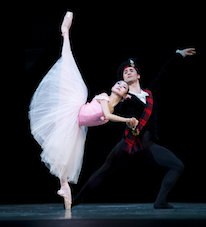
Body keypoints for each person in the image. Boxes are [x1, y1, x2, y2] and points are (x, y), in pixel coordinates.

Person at [29, 12, 138, 210]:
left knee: (65, 155)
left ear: (124, 95)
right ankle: (65, 33)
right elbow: (108, 115)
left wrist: (129, 107)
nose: (120, 84)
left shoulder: (114, 105)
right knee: (67, 65)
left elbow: (111, 112)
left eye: (124, 86)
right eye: (119, 82)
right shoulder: (104, 97)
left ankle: (64, 188)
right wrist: (127, 119)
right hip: (74, 105)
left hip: (76, 124)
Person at [73, 47, 196, 209]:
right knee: (104, 170)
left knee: (178, 166)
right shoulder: (126, 99)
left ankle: (160, 201)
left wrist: (178, 55)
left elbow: (164, 74)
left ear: (138, 75)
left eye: (132, 71)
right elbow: (129, 114)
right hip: (129, 143)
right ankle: (77, 199)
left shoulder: (149, 93)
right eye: (125, 72)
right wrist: (132, 125)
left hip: (147, 144)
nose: (128, 73)